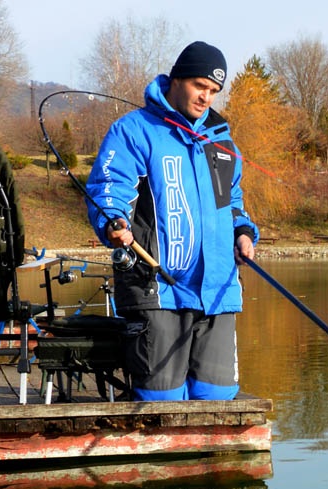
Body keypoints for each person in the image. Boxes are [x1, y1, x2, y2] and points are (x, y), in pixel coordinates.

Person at [86, 41, 259, 401]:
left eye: (213, 91)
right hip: (157, 289)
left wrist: (242, 232)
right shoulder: (134, 130)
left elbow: (233, 202)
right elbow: (109, 187)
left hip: (217, 291)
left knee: (218, 399)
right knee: (160, 403)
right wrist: (113, 222)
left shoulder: (223, 143)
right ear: (177, 79)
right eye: (200, 86)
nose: (206, 97)